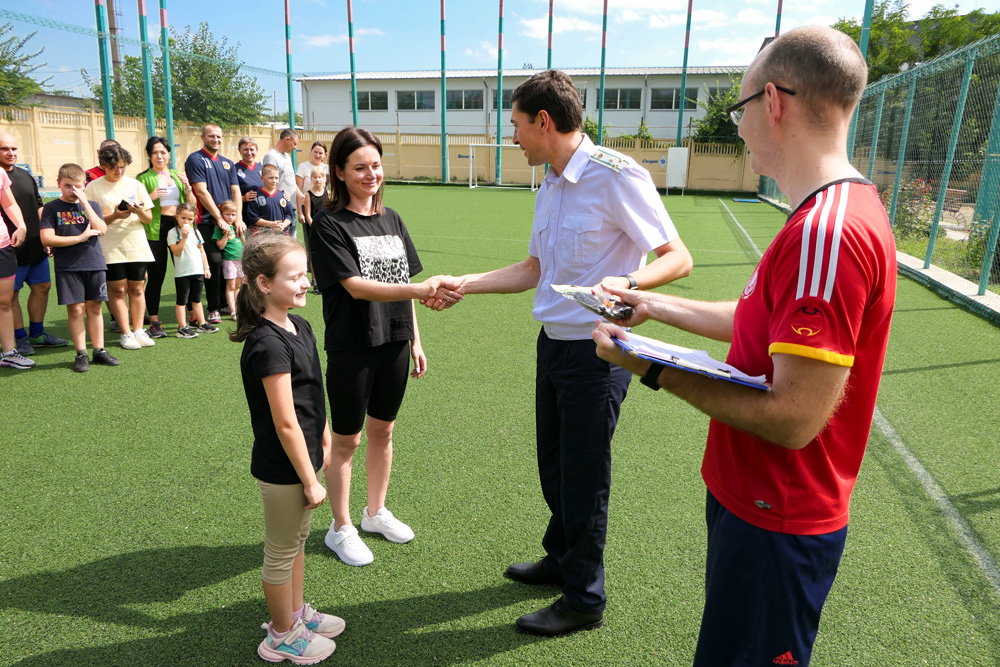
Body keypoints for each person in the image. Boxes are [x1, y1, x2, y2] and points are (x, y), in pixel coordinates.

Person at [590, 27, 896, 666]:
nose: (740, 126)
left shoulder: (825, 233)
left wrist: (649, 367)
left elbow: (794, 418)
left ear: (774, 103)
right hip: (759, 503)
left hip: (777, 512)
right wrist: (653, 307)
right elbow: (758, 320)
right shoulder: (828, 213)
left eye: (740, 108)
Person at [421, 70, 692, 635]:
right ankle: (562, 558)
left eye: (516, 124)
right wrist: (464, 283)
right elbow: (534, 269)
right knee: (555, 466)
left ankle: (584, 599)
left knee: (583, 477)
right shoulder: (549, 181)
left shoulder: (617, 175)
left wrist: (628, 282)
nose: (512, 136)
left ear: (543, 122)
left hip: (598, 353)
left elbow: (676, 258)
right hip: (553, 346)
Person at [310, 126, 458, 567]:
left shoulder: (392, 218)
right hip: (352, 345)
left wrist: (415, 339)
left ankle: (374, 513)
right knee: (347, 440)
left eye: (375, 165)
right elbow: (355, 287)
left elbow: (402, 281)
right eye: (359, 167)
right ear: (339, 171)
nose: (371, 174)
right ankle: (340, 527)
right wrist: (421, 291)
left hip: (394, 341)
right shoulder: (328, 224)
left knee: (384, 431)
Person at [231, 233, 344, 665]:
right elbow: (284, 421)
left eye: (305, 274)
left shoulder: (300, 326)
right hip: (284, 469)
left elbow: (311, 395)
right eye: (294, 277)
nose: (305, 283)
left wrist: (326, 437)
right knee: (281, 553)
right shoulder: (267, 343)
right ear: (263, 284)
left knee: (296, 542)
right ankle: (281, 636)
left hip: (305, 460)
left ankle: (296, 615)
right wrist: (310, 479)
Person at [38, 164, 119, 372]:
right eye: (68, 186)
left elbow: (101, 229)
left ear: (84, 185)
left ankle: (99, 350)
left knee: (95, 307)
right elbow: (47, 238)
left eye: (78, 186)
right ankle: (81, 353)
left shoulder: (91, 205)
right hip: (68, 266)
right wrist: (79, 238)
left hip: (94, 263)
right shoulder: (51, 208)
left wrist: (84, 203)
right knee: (76, 310)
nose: (73, 191)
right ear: (59, 184)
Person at [0, 132, 68, 356]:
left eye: (13, 148)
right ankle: (19, 338)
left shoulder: (24, 175)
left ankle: (37, 334)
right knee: (11, 296)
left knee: (42, 287)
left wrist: (46, 234)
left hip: (35, 245)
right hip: (9, 248)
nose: (11, 153)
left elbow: (39, 206)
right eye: (4, 149)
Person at [84, 143, 156, 351]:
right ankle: (126, 332)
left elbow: (148, 218)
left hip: (136, 242)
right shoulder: (93, 187)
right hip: (109, 244)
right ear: (104, 165)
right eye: (113, 166)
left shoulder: (135, 185)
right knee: (117, 290)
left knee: (137, 288)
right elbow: (92, 221)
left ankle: (139, 330)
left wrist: (138, 211)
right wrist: (115, 215)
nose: (119, 171)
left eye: (123, 166)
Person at [185, 123, 244, 325]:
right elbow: (201, 191)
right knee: (214, 261)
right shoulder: (195, 159)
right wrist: (219, 218)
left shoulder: (227, 163)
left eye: (219, 136)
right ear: (203, 137)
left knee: (231, 261)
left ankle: (228, 303)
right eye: (211, 136)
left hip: (229, 223)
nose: (216, 139)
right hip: (207, 222)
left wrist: (238, 218)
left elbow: (236, 191)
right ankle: (214, 308)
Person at [137, 136, 192, 339]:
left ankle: (191, 317)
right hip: (156, 230)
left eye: (163, 152)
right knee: (156, 276)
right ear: (149, 155)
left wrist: (188, 188)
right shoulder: (143, 178)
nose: (159, 156)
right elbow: (136, 206)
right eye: (155, 153)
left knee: (186, 271)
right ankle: (154, 321)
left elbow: (191, 205)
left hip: (178, 228)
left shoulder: (178, 175)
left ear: (169, 154)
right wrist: (150, 197)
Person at [0, 148, 34, 370]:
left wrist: (21, 225)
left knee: (4, 302)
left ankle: (8, 353)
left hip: (2, 244)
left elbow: (9, 203)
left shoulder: (0, 173)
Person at [167, 203, 218, 338]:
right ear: (177, 216)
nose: (186, 221)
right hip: (183, 273)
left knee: (197, 299)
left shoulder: (196, 232)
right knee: (182, 301)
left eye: (190, 219)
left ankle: (202, 323)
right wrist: (184, 237)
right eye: (183, 218)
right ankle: (182, 327)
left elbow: (202, 250)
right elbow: (176, 251)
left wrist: (206, 267)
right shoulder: (173, 233)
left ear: (194, 218)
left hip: (197, 271)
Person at [263, 129, 303, 240]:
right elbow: (269, 181)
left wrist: (301, 195)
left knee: (292, 243)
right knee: (280, 243)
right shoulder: (271, 156)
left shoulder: (287, 157)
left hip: (291, 208)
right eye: (294, 143)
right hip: (280, 209)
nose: (295, 147)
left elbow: (290, 180)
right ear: (287, 139)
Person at [212, 200, 245, 320]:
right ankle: (233, 311)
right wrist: (225, 235)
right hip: (229, 261)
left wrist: (242, 233)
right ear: (222, 214)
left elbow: (244, 243)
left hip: (240, 260)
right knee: (231, 286)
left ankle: (238, 309)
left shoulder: (237, 226)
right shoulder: (220, 228)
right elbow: (220, 246)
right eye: (227, 214)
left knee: (238, 286)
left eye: (233, 214)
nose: (231, 217)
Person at [246, 164, 293, 237]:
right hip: (262, 236)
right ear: (262, 178)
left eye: (276, 178)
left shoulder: (283, 196)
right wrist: (271, 224)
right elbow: (253, 218)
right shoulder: (255, 196)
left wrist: (283, 225)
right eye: (270, 178)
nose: (274, 181)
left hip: (281, 235)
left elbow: (289, 215)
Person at [302, 166, 328, 292]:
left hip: (326, 228)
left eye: (320, 177)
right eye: (315, 177)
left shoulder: (328, 193)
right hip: (313, 228)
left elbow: (330, 212)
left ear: (324, 178)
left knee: (326, 253)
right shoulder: (308, 194)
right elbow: (308, 215)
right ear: (311, 179)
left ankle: (326, 279)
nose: (318, 180)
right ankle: (315, 280)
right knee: (315, 254)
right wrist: (316, 227)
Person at [295, 140, 328, 225]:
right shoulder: (303, 167)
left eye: (320, 153)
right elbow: (298, 190)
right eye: (315, 152)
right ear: (311, 151)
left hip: (322, 206)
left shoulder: (327, 168)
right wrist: (300, 212)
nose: (317, 155)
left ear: (325, 154)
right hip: (307, 206)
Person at [236, 136, 265, 226]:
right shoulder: (234, 170)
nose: (249, 153)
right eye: (245, 149)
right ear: (239, 150)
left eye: (252, 149)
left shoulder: (263, 169)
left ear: (256, 150)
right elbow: (227, 196)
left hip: (264, 217)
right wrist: (243, 198)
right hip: (245, 218)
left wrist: (283, 194)